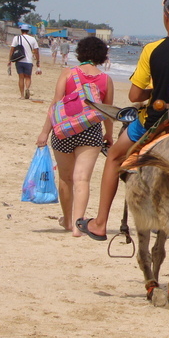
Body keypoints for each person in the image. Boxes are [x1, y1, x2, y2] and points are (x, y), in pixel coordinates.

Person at [76, 0, 169, 242]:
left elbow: (134, 95)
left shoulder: (151, 50)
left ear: (165, 16)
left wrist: (153, 91)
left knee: (114, 157)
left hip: (154, 120)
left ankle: (100, 223)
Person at [36, 37, 114, 235]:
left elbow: (55, 104)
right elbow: (107, 112)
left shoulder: (68, 73)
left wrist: (45, 131)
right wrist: (109, 135)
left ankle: (68, 221)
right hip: (90, 133)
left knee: (65, 179)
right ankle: (78, 227)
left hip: (64, 131)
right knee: (82, 179)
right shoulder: (106, 79)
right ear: (102, 55)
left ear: (80, 52)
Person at [8, 24, 40, 99]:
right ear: (28, 30)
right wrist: (38, 62)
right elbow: (36, 52)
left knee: (21, 78)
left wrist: (9, 60)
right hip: (29, 61)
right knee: (28, 77)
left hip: (19, 60)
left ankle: (22, 95)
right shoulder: (33, 39)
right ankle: (27, 88)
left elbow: (12, 50)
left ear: (21, 30)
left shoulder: (16, 38)